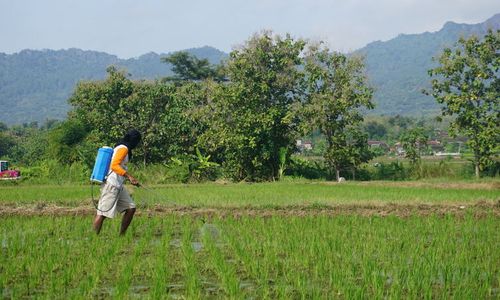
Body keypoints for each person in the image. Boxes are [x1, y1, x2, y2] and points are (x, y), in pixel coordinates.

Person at [93, 129, 142, 235]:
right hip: (111, 184)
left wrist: (130, 178)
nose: (137, 145)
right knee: (102, 213)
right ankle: (93, 238)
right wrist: (129, 176)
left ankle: (121, 236)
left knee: (131, 208)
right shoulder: (123, 148)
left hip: (118, 185)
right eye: (137, 142)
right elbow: (114, 165)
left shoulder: (122, 147)